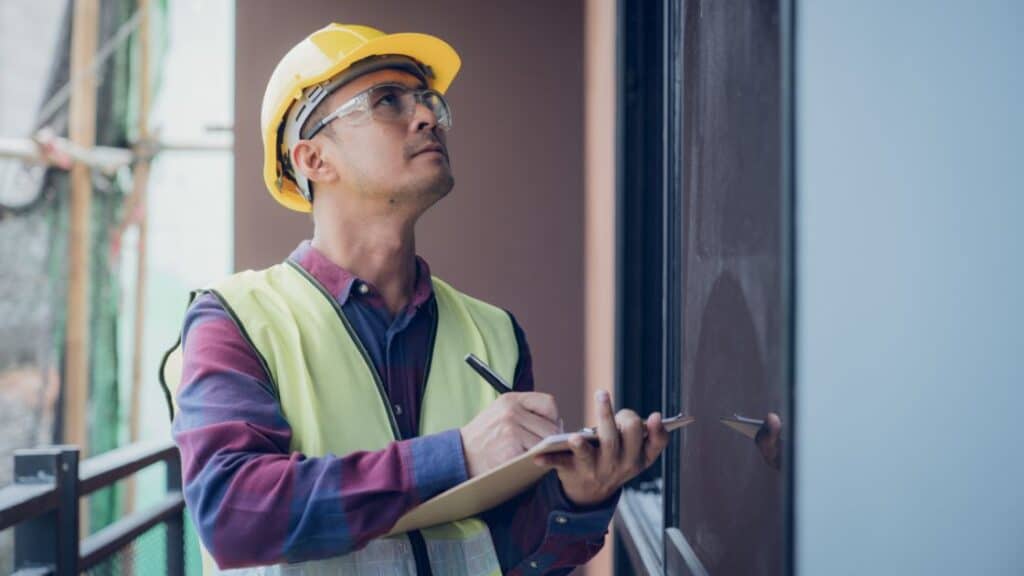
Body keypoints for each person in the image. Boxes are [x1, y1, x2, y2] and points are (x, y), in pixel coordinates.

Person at [161, 23, 669, 575]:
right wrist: (458, 456)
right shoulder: (234, 320)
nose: (428, 116)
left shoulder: (494, 334)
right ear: (313, 160)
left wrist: (578, 500)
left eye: (428, 101)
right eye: (386, 101)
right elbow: (232, 512)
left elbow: (513, 556)